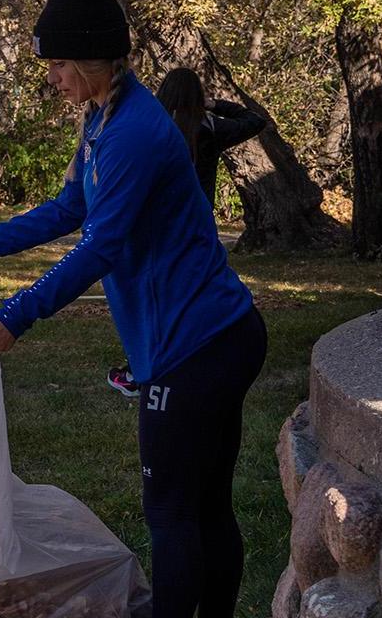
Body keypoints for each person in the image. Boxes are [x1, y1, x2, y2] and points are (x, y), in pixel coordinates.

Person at [0, 0, 266, 618]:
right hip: (213, 335)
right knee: (205, 498)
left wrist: (13, 317)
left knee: (174, 505)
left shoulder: (134, 135)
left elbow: (102, 247)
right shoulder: (103, 120)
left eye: (58, 64)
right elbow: (68, 211)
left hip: (197, 346)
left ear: (92, 58)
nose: (52, 78)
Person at [105, 68, 268, 397]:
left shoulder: (149, 122)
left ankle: (142, 369)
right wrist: (215, 103)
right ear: (197, 95)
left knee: (156, 293)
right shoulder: (209, 125)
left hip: (155, 220)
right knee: (188, 291)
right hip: (196, 220)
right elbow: (254, 119)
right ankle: (164, 363)